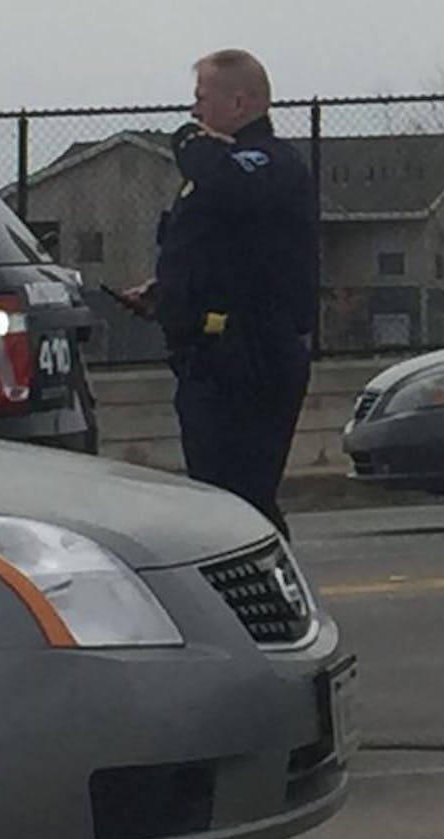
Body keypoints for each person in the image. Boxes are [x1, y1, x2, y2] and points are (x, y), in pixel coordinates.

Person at [122, 49, 316, 539]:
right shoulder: (224, 169)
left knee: (240, 500)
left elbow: (226, 184)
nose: (194, 112)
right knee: (222, 495)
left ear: (241, 100)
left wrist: (188, 141)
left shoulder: (269, 161)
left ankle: (272, 603)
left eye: (201, 98)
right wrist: (169, 292)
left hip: (250, 356)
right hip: (209, 355)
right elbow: (227, 253)